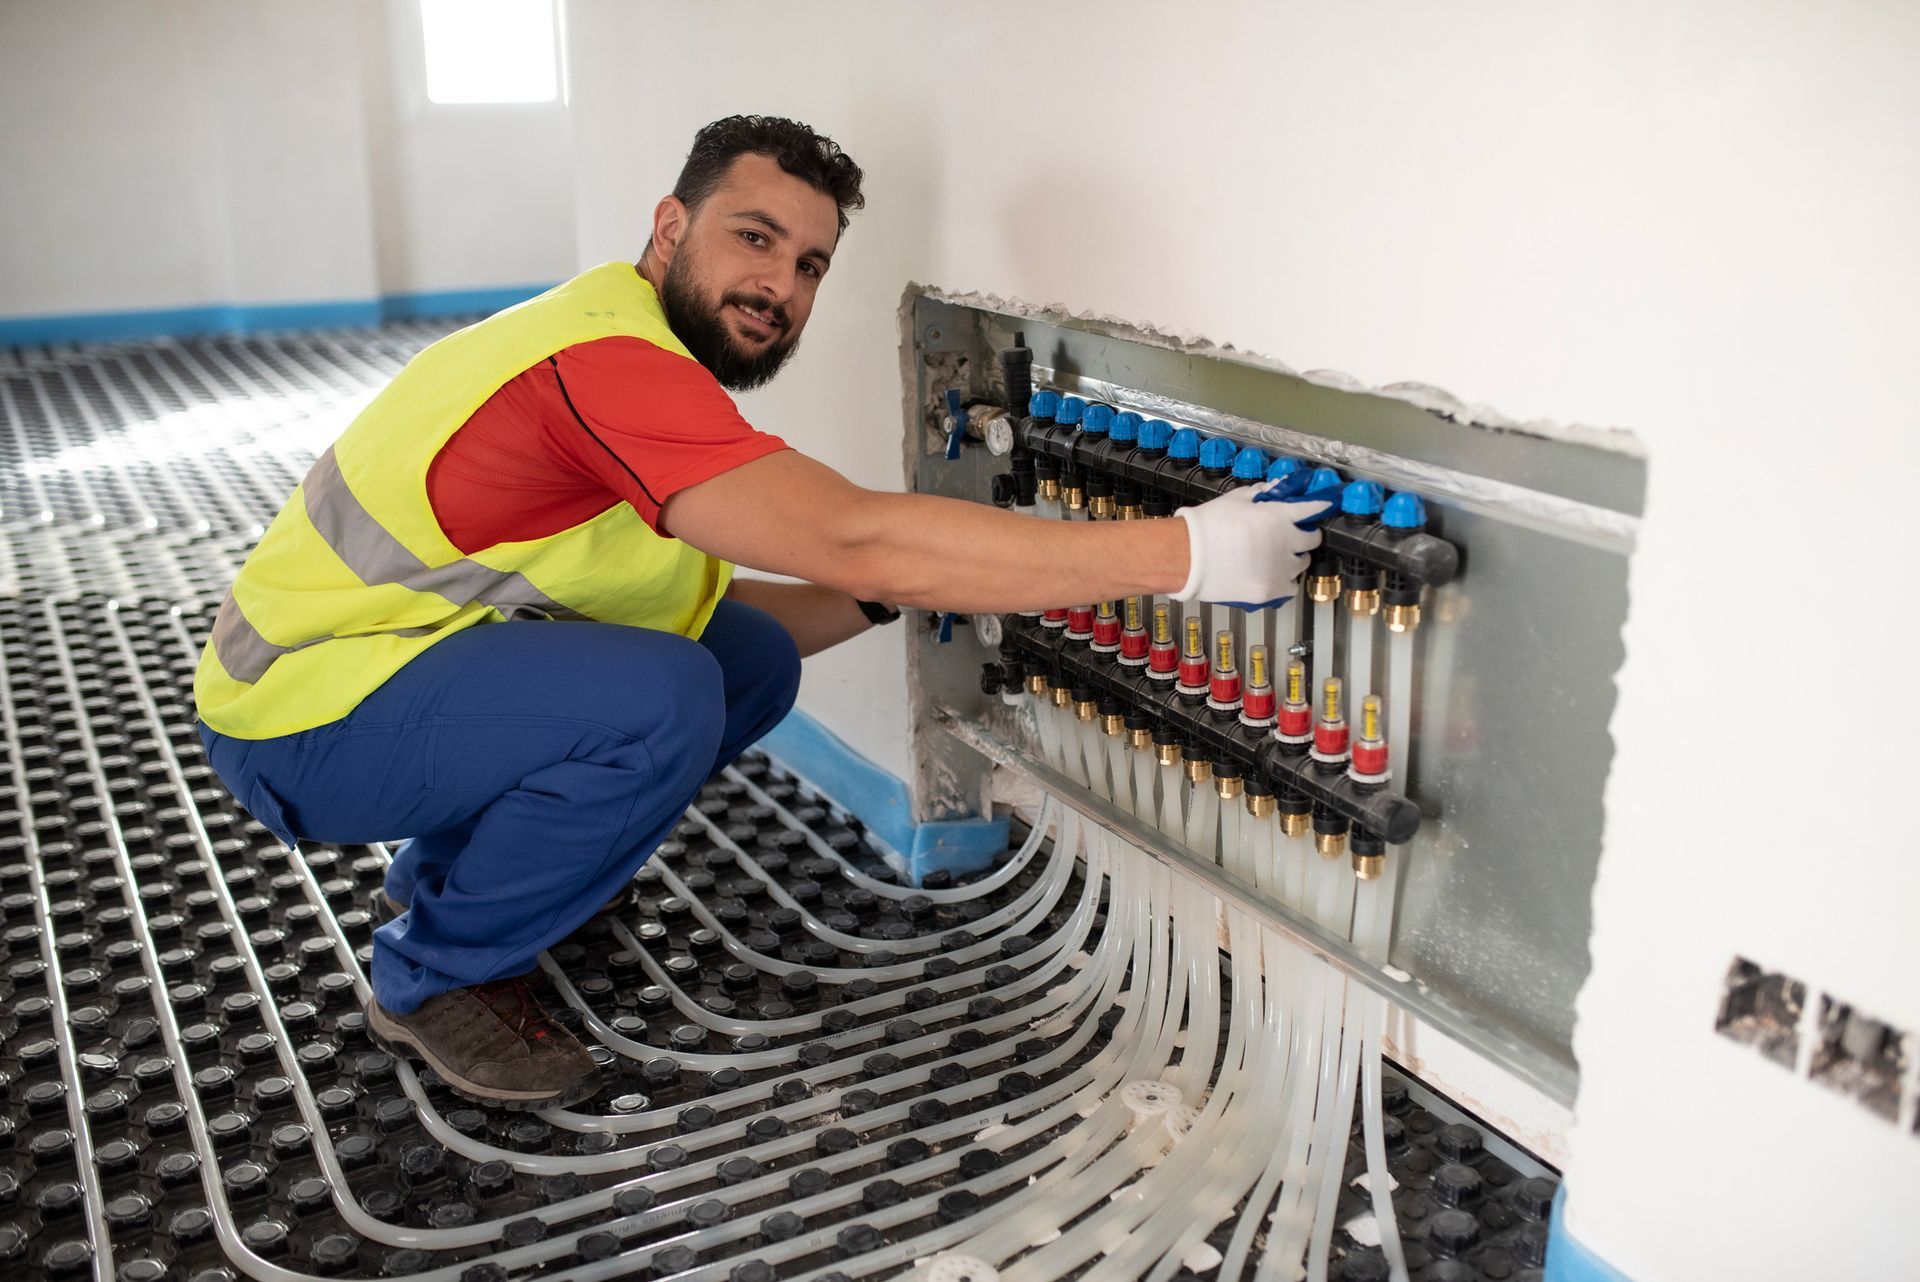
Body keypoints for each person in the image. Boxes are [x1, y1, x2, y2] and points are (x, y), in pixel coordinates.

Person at [193, 115, 1327, 1110]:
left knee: (738, 663)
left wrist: (900, 589)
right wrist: (1183, 552)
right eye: (753, 236)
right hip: (295, 713)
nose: (779, 284)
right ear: (670, 228)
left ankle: (454, 876)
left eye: (810, 264)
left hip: (395, 668)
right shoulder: (610, 367)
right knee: (662, 699)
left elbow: (793, 589)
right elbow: (851, 533)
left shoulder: (620, 335)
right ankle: (435, 973)